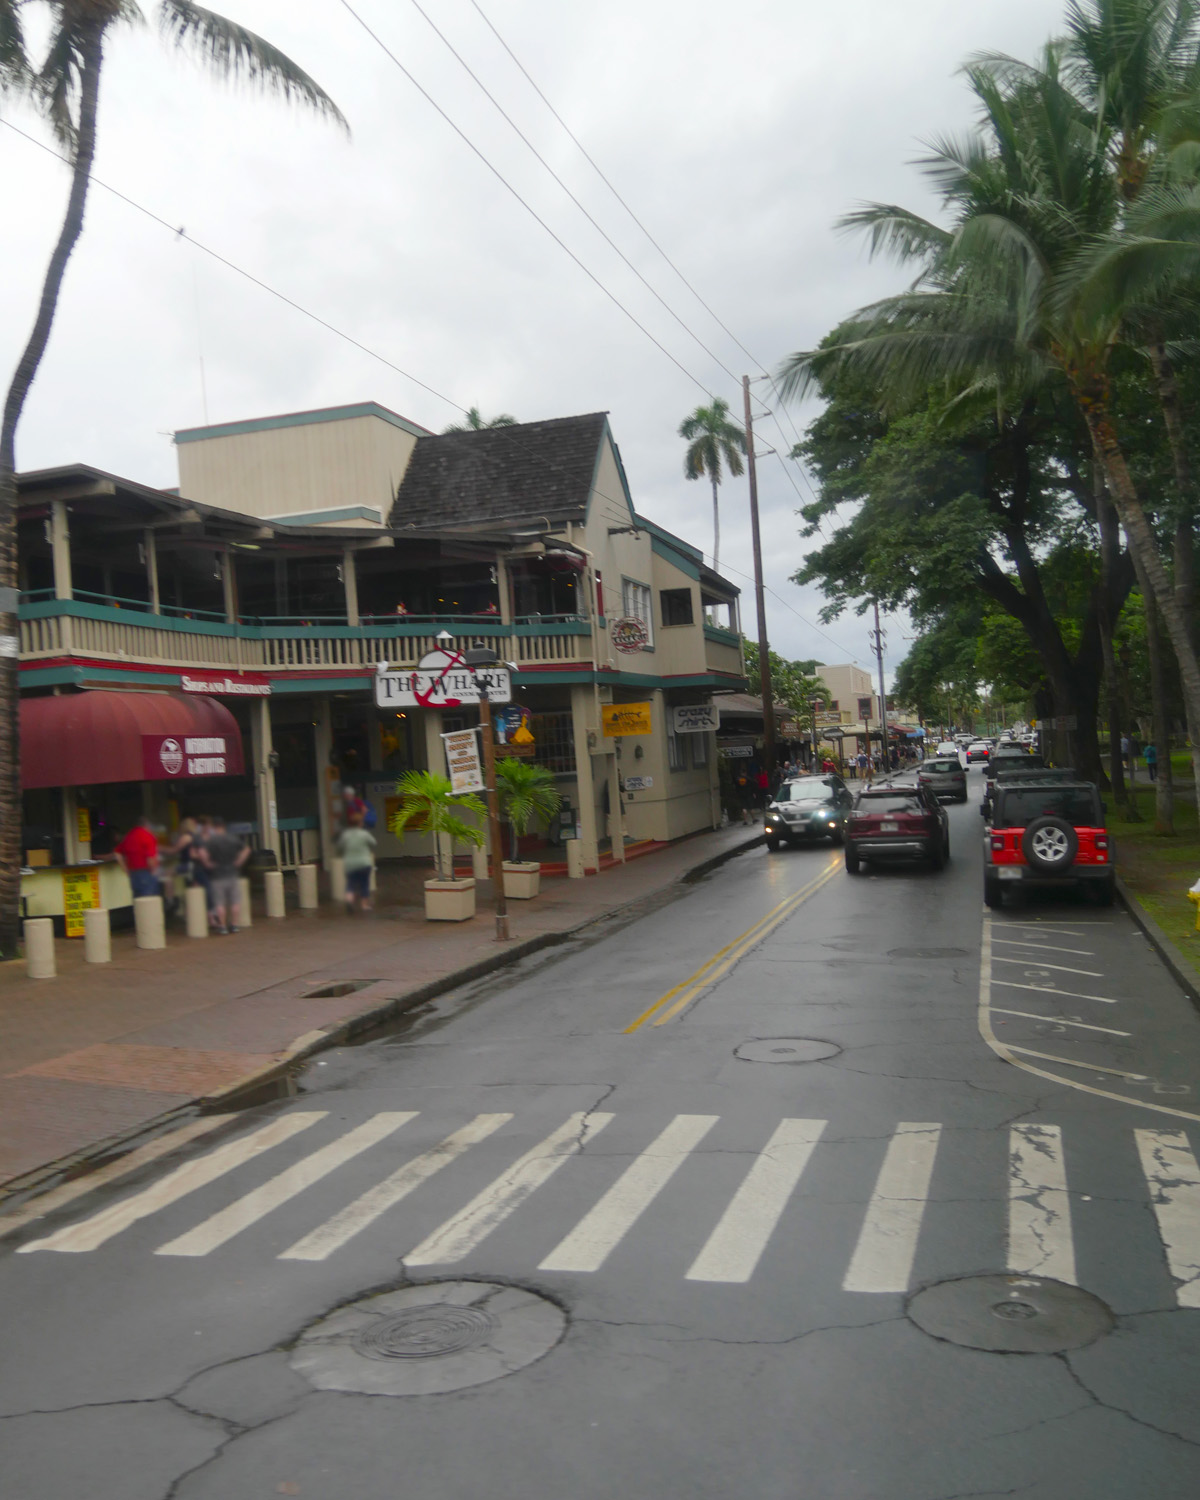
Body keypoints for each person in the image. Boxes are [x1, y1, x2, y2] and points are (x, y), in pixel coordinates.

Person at [197, 816, 249, 934]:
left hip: (217, 875)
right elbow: (246, 850)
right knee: (235, 901)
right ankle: (235, 925)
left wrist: (208, 863)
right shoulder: (232, 838)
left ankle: (223, 926)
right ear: (224, 827)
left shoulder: (211, 841)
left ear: (215, 827)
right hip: (232, 873)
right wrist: (238, 862)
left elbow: (202, 852)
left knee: (219, 903)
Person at [338, 810, 377, 912]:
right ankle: (364, 906)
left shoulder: (346, 834)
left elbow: (340, 846)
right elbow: (373, 843)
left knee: (350, 884)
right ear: (361, 823)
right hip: (364, 863)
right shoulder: (364, 834)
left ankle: (349, 900)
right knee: (364, 884)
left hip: (350, 863)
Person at [115, 816, 162, 899]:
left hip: (133, 873)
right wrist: (153, 871)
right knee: (150, 900)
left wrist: (125, 869)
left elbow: (117, 853)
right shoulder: (148, 836)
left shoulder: (129, 836)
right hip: (146, 872)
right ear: (147, 825)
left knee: (137, 899)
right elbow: (150, 858)